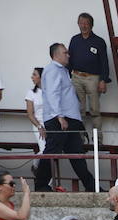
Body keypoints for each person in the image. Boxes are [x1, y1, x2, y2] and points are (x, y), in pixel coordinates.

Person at [35, 43, 96, 193]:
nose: (68, 55)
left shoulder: (62, 70)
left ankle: (91, 186)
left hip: (69, 118)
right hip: (60, 119)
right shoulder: (52, 70)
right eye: (65, 53)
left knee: (76, 154)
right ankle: (41, 185)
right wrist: (59, 116)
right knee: (51, 152)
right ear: (56, 55)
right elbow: (52, 93)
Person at [68, 13, 111, 125]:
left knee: (94, 110)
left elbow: (104, 63)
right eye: (81, 23)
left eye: (86, 23)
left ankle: (98, 141)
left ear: (91, 25)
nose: (84, 26)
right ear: (78, 24)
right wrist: (68, 78)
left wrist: (103, 80)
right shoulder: (74, 40)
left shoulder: (99, 41)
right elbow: (69, 60)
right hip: (76, 77)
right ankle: (79, 140)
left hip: (93, 79)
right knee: (78, 110)